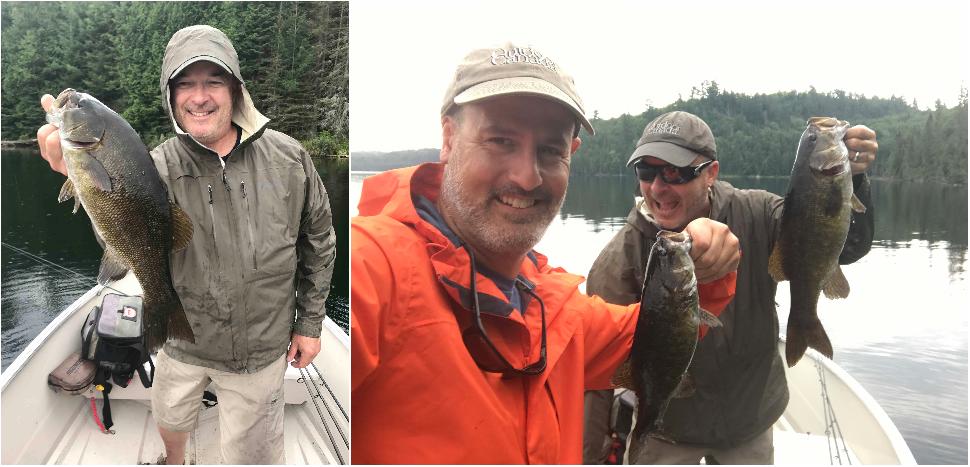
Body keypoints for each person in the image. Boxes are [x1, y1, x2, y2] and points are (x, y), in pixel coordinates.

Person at [350, 43, 741, 464]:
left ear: (570, 156)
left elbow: (659, 336)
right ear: (448, 137)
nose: (527, 176)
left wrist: (708, 267)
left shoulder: (551, 303)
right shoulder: (373, 263)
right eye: (500, 140)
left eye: (550, 150)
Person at [36, 25, 337, 465]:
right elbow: (122, 233)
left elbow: (320, 242)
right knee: (172, 417)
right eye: (185, 84)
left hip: (262, 347)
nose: (200, 96)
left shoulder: (291, 158)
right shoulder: (153, 165)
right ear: (171, 95)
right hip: (181, 339)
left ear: (236, 89)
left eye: (213, 81)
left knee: (252, 455)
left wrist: (309, 323)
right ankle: (173, 459)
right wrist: (82, 182)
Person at [582, 110, 877, 464]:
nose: (658, 187)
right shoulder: (619, 259)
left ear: (711, 173)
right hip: (667, 431)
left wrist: (852, 182)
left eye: (674, 172)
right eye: (646, 171)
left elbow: (843, 245)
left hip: (749, 420)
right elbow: (595, 376)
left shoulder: (759, 213)